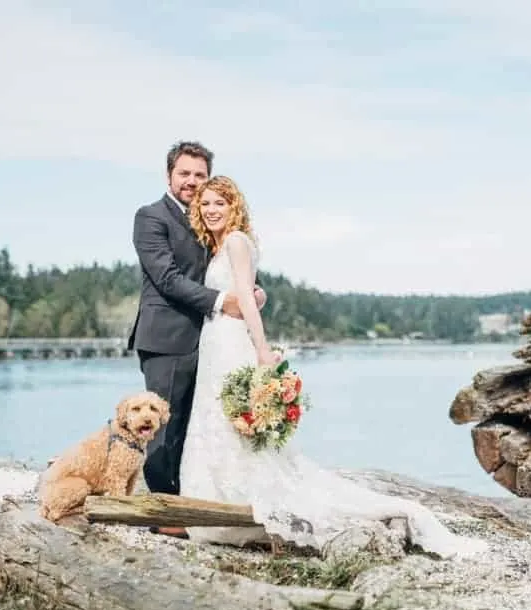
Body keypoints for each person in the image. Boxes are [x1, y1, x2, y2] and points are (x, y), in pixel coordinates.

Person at [177, 175, 488, 559]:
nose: (210, 210)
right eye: (205, 204)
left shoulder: (237, 242)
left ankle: (237, 503)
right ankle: (215, 500)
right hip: (216, 344)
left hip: (230, 341)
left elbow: (244, 296)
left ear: (233, 206)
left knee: (228, 421)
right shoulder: (223, 244)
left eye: (218, 203)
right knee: (217, 420)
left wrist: (261, 350)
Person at [128, 142, 267, 533]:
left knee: (200, 428)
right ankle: (166, 513)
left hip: (212, 342)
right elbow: (168, 278)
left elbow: (232, 262)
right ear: (169, 175)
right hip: (167, 338)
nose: (191, 181)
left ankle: (196, 506)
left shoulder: (209, 215)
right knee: (162, 429)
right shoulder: (151, 217)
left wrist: (257, 292)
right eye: (184, 174)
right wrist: (226, 301)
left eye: (199, 175)